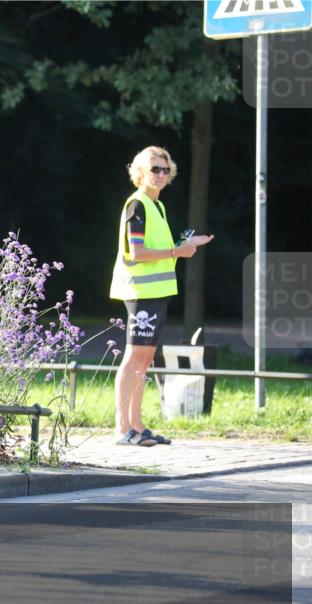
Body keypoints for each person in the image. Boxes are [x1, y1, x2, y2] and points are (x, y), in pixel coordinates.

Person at [109, 146, 213, 446]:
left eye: (166, 170)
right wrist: (176, 251)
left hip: (157, 293)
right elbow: (137, 253)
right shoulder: (137, 205)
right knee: (132, 360)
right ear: (140, 172)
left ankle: (137, 427)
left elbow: (161, 254)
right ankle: (122, 429)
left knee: (143, 362)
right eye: (155, 169)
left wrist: (184, 245)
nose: (161, 175)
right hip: (141, 293)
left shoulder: (158, 206)